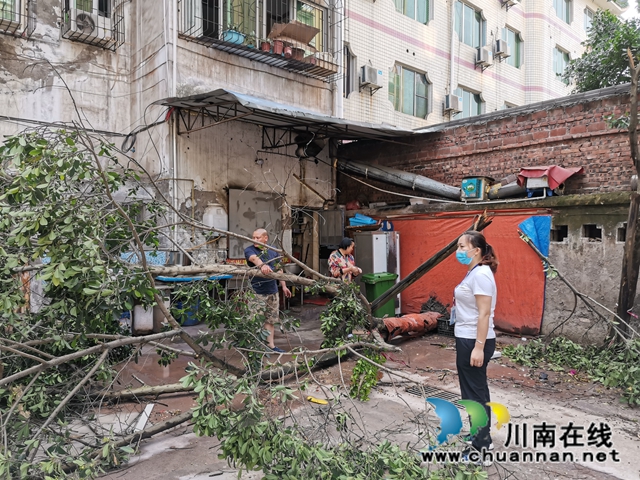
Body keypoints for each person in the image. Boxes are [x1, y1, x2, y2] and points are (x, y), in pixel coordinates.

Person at [453, 230, 498, 462]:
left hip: (474, 340)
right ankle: (481, 437)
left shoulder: (480, 274)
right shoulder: (475, 272)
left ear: (476, 250)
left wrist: (478, 347)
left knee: (473, 396)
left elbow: (484, 314)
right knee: (477, 391)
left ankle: (480, 449)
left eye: (462, 247)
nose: (458, 251)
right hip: (469, 338)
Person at [244, 228, 292, 353]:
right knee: (254, 320)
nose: (254, 240)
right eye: (253, 237)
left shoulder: (273, 251)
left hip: (273, 291)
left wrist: (284, 286)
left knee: (270, 320)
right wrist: (263, 266)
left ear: (265, 238)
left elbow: (278, 269)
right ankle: (253, 348)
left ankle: (271, 346)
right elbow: (255, 259)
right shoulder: (249, 250)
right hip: (256, 292)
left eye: (257, 237)